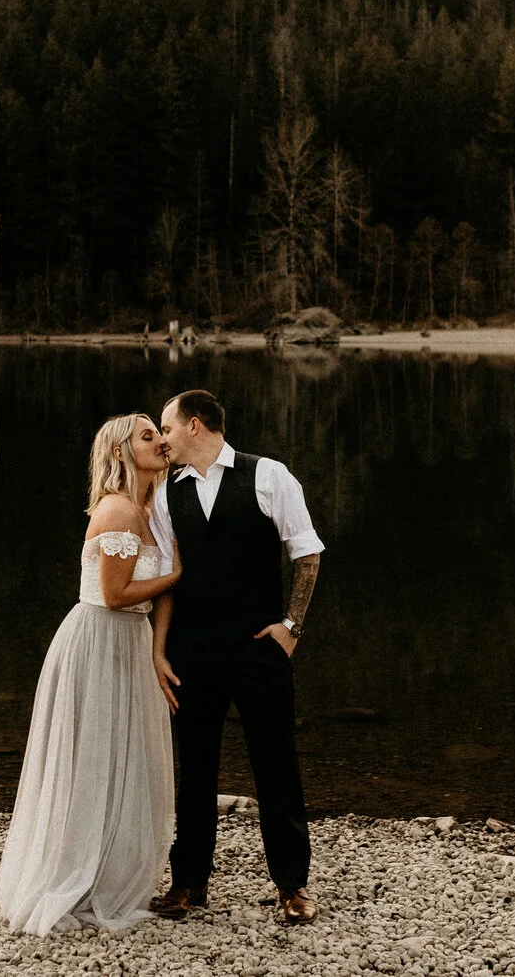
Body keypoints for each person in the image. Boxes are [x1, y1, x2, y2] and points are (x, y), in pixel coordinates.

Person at [0, 413, 185, 935]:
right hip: (98, 640)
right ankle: (77, 876)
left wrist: (158, 651)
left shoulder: (154, 509)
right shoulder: (120, 510)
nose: (161, 442)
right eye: (149, 436)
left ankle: (112, 871)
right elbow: (117, 593)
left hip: (132, 643)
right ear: (122, 451)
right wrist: (178, 572)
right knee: (93, 759)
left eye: (160, 433)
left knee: (127, 758)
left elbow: (161, 596)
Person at [147, 389, 326, 926]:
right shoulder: (164, 495)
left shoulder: (269, 476)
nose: (161, 439)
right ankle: (187, 884)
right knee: (194, 769)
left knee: (276, 765)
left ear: (196, 426)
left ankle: (292, 885)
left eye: (167, 428)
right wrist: (159, 652)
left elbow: (308, 553)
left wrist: (291, 627)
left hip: (258, 649)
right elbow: (166, 584)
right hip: (192, 653)